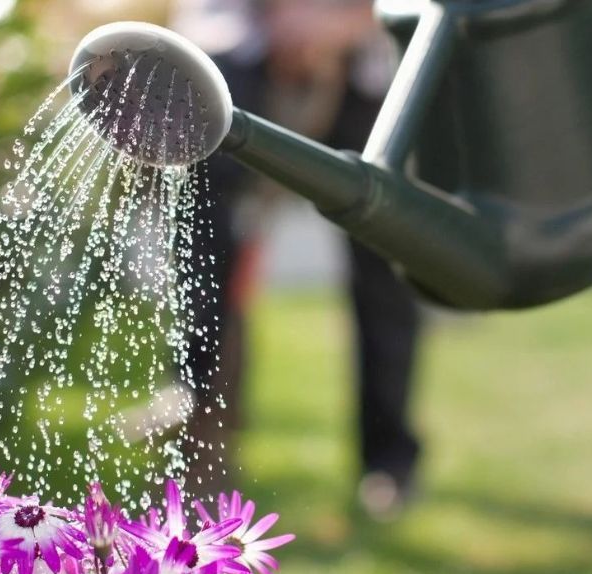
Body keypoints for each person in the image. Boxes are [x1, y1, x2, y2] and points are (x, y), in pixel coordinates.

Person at [172, 0, 424, 517]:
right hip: (240, 50)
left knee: (385, 260)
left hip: (366, 59)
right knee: (207, 253)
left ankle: (389, 459)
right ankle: (203, 436)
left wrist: (344, 23)